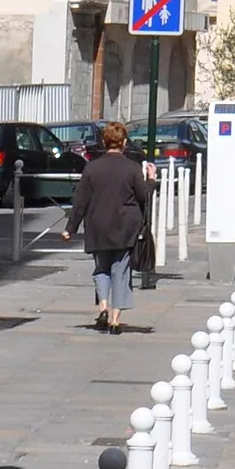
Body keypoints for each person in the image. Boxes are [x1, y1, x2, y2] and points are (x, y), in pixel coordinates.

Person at [63, 120, 151, 333]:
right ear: (124, 142)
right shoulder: (131, 168)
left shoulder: (92, 168)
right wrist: (151, 180)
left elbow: (81, 200)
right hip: (124, 227)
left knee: (101, 268)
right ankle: (115, 319)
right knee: (120, 271)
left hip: (97, 226)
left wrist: (70, 228)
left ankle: (103, 306)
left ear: (104, 141)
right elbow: (143, 196)